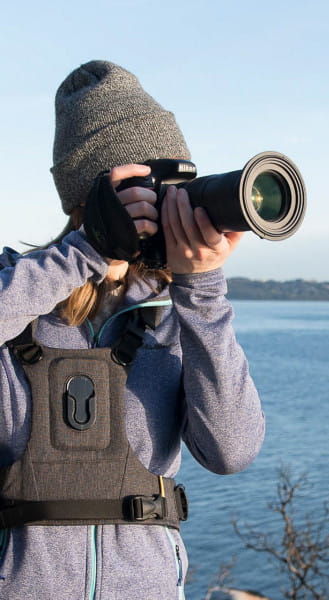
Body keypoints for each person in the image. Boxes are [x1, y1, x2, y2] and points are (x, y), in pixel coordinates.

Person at [0, 60, 265, 599]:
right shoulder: (19, 291)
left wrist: (204, 287)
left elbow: (232, 451)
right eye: (144, 185)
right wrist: (85, 253)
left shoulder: (174, 316)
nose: (165, 203)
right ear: (90, 195)